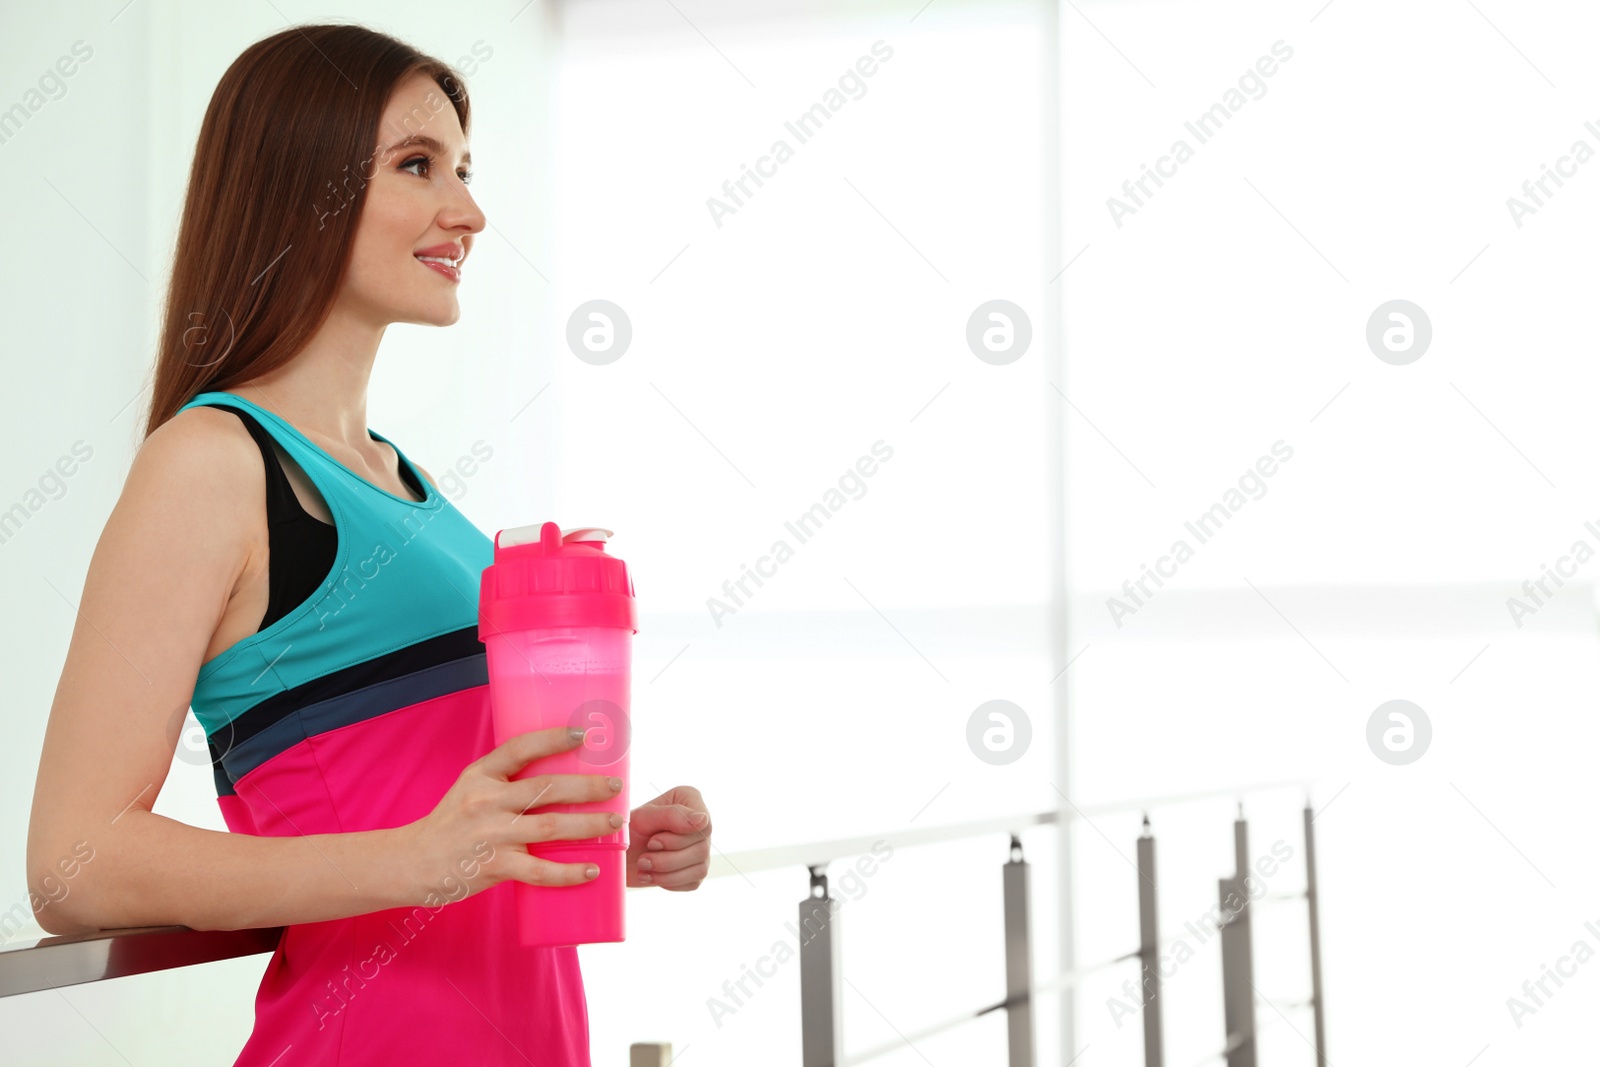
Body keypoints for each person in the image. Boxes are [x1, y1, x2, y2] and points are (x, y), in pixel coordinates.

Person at [24, 22, 711, 1065]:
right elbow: (73, 866)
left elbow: (423, 817)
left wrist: (597, 842)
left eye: (465, 170)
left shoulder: (405, 482)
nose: (470, 212)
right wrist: (421, 855)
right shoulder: (213, 462)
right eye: (418, 166)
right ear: (303, 187)